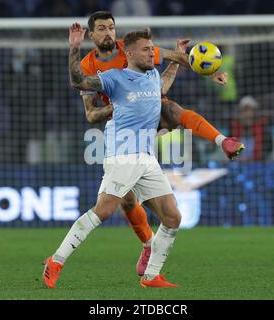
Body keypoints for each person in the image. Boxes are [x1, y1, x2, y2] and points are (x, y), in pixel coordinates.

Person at [78, 11, 244, 277]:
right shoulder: (87, 66)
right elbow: (90, 114)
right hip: (122, 131)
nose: (108, 32)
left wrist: (210, 70)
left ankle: (222, 140)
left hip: (151, 109)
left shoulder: (131, 48)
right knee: (127, 202)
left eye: (111, 27)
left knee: (174, 110)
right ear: (91, 35)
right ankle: (147, 244)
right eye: (101, 28)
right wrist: (120, 105)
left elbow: (177, 56)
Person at [43, 25, 187, 289]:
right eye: (146, 50)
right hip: (122, 153)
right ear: (129, 53)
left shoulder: (153, 76)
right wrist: (74, 47)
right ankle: (56, 261)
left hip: (146, 156)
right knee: (104, 210)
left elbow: (164, 85)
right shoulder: (113, 78)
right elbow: (79, 82)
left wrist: (178, 57)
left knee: (173, 217)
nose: (151, 53)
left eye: (152, 49)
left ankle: (151, 276)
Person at [228, 95, 273, 161]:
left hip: (259, 163)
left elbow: (269, 148)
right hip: (239, 163)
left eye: (249, 110)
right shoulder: (234, 127)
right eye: (244, 110)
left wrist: (260, 158)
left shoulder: (263, 127)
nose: (247, 113)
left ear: (254, 112)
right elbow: (228, 148)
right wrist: (237, 157)